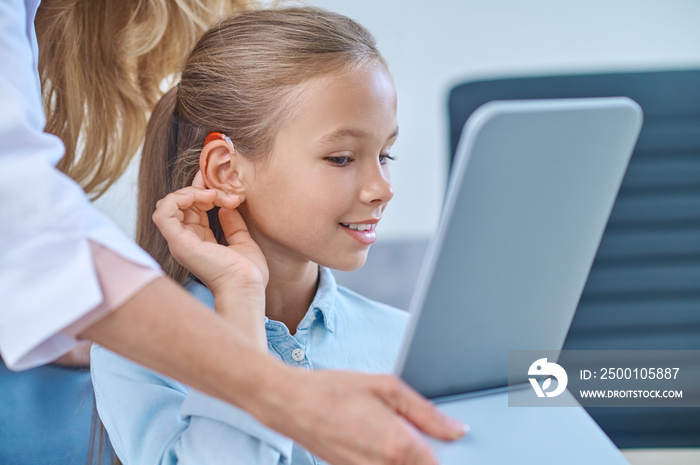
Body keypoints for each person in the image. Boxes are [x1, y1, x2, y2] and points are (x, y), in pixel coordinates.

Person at [0, 1, 465, 464]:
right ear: (227, 170)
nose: (381, 189)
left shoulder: (406, 342)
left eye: (386, 155)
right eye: (341, 158)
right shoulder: (134, 359)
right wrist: (240, 296)